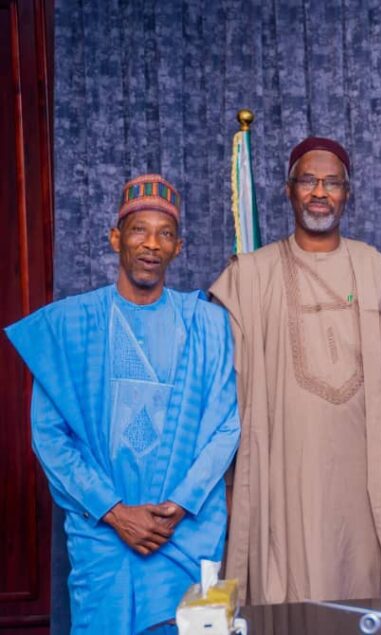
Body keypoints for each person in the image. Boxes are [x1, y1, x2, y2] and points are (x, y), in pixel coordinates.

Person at [5, 174, 240, 634]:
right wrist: (115, 512)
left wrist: (179, 504)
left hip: (182, 535)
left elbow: (227, 425)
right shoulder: (71, 327)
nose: (151, 244)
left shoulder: (208, 325)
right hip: (103, 540)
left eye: (165, 234)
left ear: (179, 247)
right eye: (139, 230)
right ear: (116, 238)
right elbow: (50, 439)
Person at [211, 136, 381, 603]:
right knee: (288, 598)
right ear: (288, 190)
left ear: (347, 193)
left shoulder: (375, 270)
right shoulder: (250, 275)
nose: (319, 192)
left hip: (364, 478)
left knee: (357, 597)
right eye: (308, 181)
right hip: (281, 477)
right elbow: (217, 388)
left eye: (332, 183)